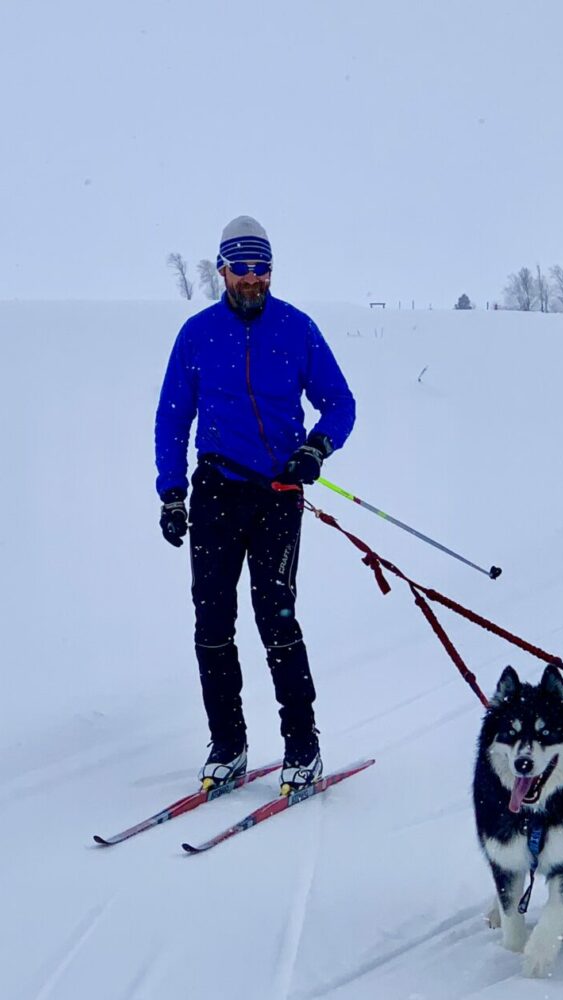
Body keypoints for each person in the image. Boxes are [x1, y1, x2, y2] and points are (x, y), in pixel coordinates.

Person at [155, 215, 355, 794]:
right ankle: (229, 744)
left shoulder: (296, 329)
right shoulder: (196, 334)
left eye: (261, 268)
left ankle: (302, 747)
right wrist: (172, 491)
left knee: (277, 619)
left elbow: (340, 404)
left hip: (277, 495)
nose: (252, 279)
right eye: (241, 268)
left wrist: (315, 449)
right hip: (216, 491)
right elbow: (172, 417)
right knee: (212, 622)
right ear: (222, 270)